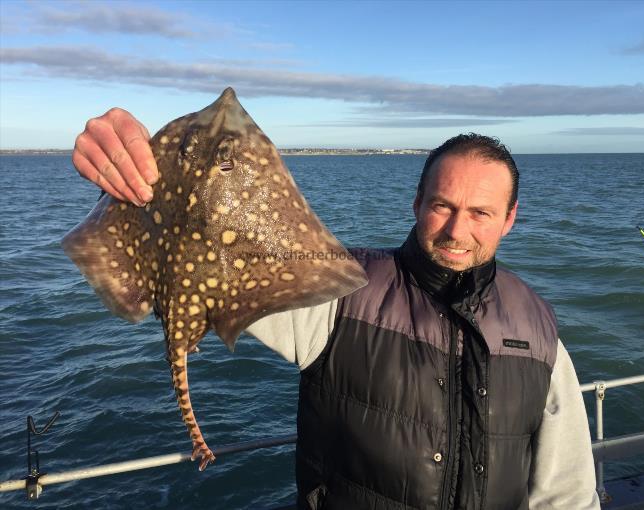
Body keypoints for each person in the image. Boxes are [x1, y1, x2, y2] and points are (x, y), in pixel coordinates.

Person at [72, 108, 600, 509]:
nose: (457, 230)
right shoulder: (342, 291)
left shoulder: (537, 330)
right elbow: (224, 256)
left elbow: (566, 490)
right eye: (442, 205)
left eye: (480, 212)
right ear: (416, 203)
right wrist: (137, 180)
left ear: (510, 219)